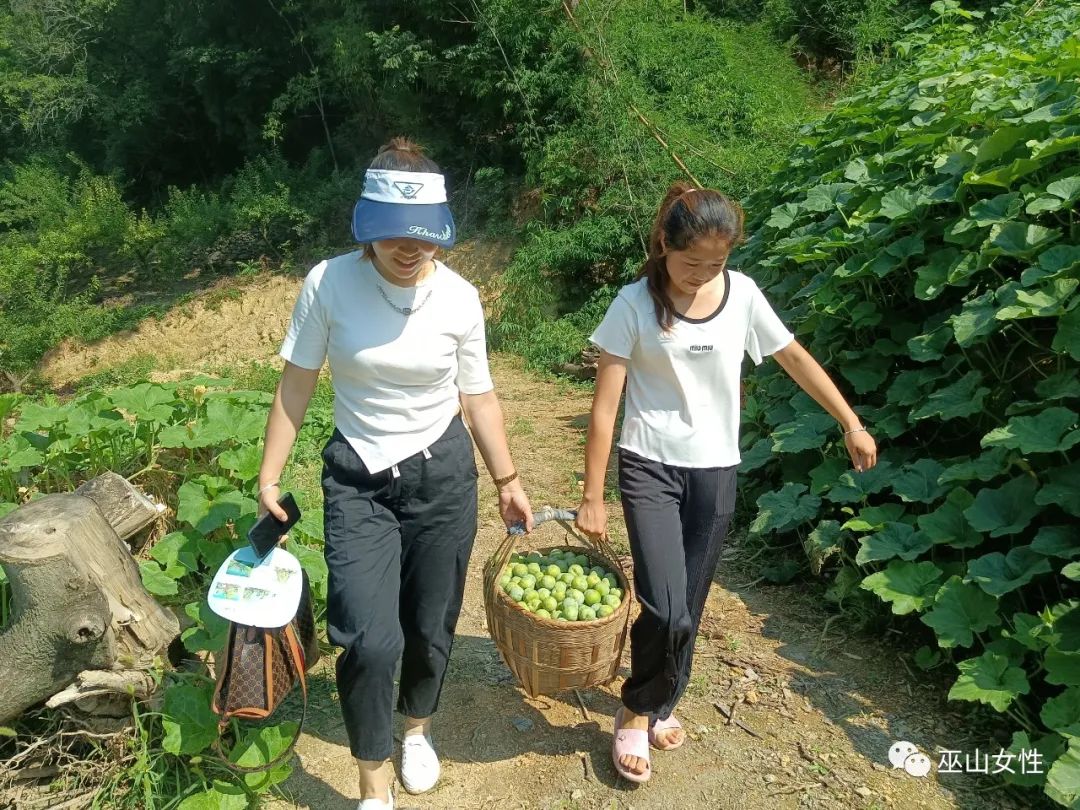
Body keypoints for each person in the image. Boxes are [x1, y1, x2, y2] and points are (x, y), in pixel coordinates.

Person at [256, 137, 533, 810]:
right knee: (368, 635)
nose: (409, 250)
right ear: (366, 229)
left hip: (443, 476)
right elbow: (297, 384)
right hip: (359, 477)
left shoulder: (461, 299)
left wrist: (507, 479)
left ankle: (417, 729)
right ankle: (371, 784)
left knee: (432, 623)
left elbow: (479, 396)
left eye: (424, 238)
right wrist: (269, 477)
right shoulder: (329, 284)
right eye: (392, 236)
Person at [574, 181, 878, 783]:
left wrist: (850, 422)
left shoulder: (742, 295)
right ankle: (636, 713)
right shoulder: (633, 304)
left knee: (689, 606)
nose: (702, 275)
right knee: (663, 603)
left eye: (716, 263)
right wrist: (592, 494)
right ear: (664, 245)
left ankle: (661, 700)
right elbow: (606, 405)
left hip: (716, 467)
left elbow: (794, 358)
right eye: (692, 263)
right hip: (649, 465)